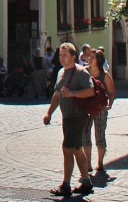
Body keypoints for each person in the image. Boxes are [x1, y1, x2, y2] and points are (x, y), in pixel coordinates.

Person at [43, 42, 96, 198]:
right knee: (76, 149)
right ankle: (86, 182)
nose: (62, 57)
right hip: (67, 117)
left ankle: (66, 185)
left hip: (78, 116)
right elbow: (57, 94)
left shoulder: (81, 72)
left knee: (67, 148)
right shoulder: (60, 73)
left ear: (74, 57)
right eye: (60, 54)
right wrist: (49, 113)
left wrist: (72, 93)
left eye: (65, 55)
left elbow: (91, 90)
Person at [82, 48, 116, 177]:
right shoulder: (84, 72)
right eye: (89, 56)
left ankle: (100, 163)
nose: (89, 59)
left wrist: (109, 105)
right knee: (85, 136)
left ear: (99, 60)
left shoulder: (105, 75)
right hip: (86, 108)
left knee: (100, 135)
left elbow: (112, 92)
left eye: (93, 57)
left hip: (100, 108)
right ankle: (88, 164)